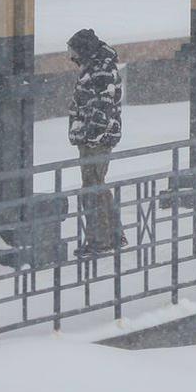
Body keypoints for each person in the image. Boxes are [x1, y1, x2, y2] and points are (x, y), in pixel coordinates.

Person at [66, 28, 124, 257]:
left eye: (73, 51)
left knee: (91, 189)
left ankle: (99, 240)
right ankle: (114, 235)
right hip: (97, 138)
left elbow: (102, 107)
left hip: (96, 141)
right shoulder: (98, 67)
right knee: (97, 185)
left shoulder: (100, 71)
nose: (71, 56)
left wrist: (91, 136)